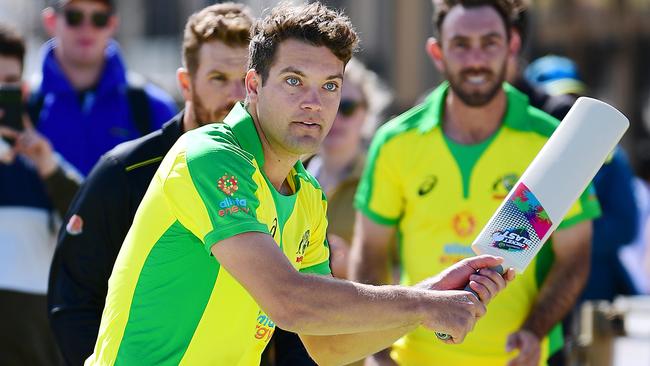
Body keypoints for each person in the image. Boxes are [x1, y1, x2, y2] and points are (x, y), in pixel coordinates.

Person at [87, 3, 514, 365]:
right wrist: (423, 304)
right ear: (253, 86)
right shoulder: (209, 155)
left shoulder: (308, 194)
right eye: (294, 81)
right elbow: (288, 301)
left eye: (331, 86)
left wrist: (433, 295)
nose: (314, 102)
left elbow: (329, 344)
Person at [350, 1, 601, 365]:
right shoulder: (396, 141)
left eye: (489, 43)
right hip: (414, 358)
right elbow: (370, 253)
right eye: (461, 44)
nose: (476, 60)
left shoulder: (550, 141)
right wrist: (377, 349)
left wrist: (534, 331)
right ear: (437, 52)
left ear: (512, 46)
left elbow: (575, 256)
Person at [46, 3, 252, 365]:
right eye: (218, 78)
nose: (235, 97)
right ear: (186, 84)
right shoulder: (123, 172)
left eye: (245, 80)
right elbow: (74, 300)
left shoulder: (278, 179)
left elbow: (289, 321)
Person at [525, 54, 639, 303]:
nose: (564, 109)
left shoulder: (609, 154)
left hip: (594, 293)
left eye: (573, 100)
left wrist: (567, 236)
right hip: (530, 294)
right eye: (554, 101)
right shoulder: (520, 151)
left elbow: (625, 226)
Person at [0, 23, 81, 366]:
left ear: (23, 89)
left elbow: (91, 225)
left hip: (38, 347)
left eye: (7, 84)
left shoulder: (46, 157)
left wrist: (48, 166)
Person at [30, 0, 177, 175]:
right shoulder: (25, 105)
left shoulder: (152, 107)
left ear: (112, 24)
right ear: (51, 22)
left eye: (99, 18)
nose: (87, 28)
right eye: (74, 17)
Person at [305, 57, 392, 278]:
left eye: (347, 107)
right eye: (327, 104)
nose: (336, 118)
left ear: (366, 113)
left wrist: (354, 266)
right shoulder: (286, 175)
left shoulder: (385, 178)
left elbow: (410, 273)